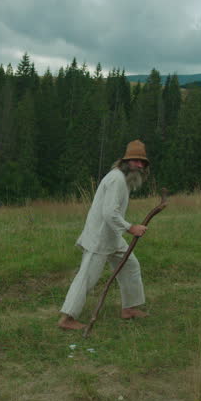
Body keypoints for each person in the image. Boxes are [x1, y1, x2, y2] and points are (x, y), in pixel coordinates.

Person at [57, 140, 151, 330]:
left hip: (113, 238)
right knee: (86, 277)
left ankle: (129, 309)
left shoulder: (124, 180)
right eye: (136, 161)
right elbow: (109, 213)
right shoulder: (116, 179)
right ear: (126, 161)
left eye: (142, 162)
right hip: (99, 238)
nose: (139, 166)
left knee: (131, 266)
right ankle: (66, 319)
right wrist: (131, 228)